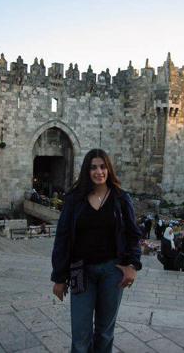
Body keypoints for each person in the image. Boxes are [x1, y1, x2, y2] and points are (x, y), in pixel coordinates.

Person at [51, 149, 142, 353]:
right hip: (80, 270)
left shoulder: (120, 198)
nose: (98, 171)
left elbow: (133, 234)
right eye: (93, 167)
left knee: (104, 332)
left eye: (102, 167)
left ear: (108, 169)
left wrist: (132, 265)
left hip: (112, 271)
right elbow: (63, 237)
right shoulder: (75, 199)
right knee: (80, 335)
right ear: (87, 170)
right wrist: (59, 277)